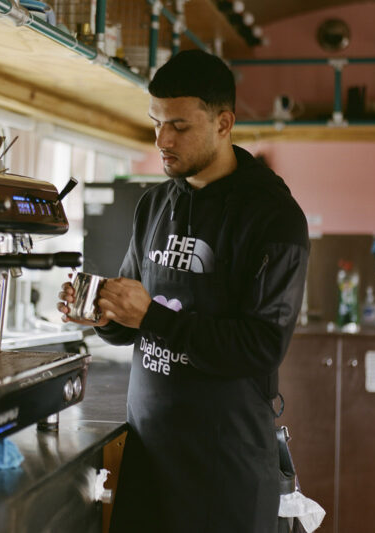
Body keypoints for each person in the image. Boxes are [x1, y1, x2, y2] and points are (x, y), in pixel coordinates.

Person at [58, 49, 309, 532]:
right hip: (149, 455)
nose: (162, 140)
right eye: (156, 123)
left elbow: (260, 347)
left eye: (178, 126)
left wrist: (151, 316)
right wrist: (103, 315)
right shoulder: (154, 204)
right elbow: (134, 322)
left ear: (223, 123)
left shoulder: (273, 217)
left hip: (225, 468)